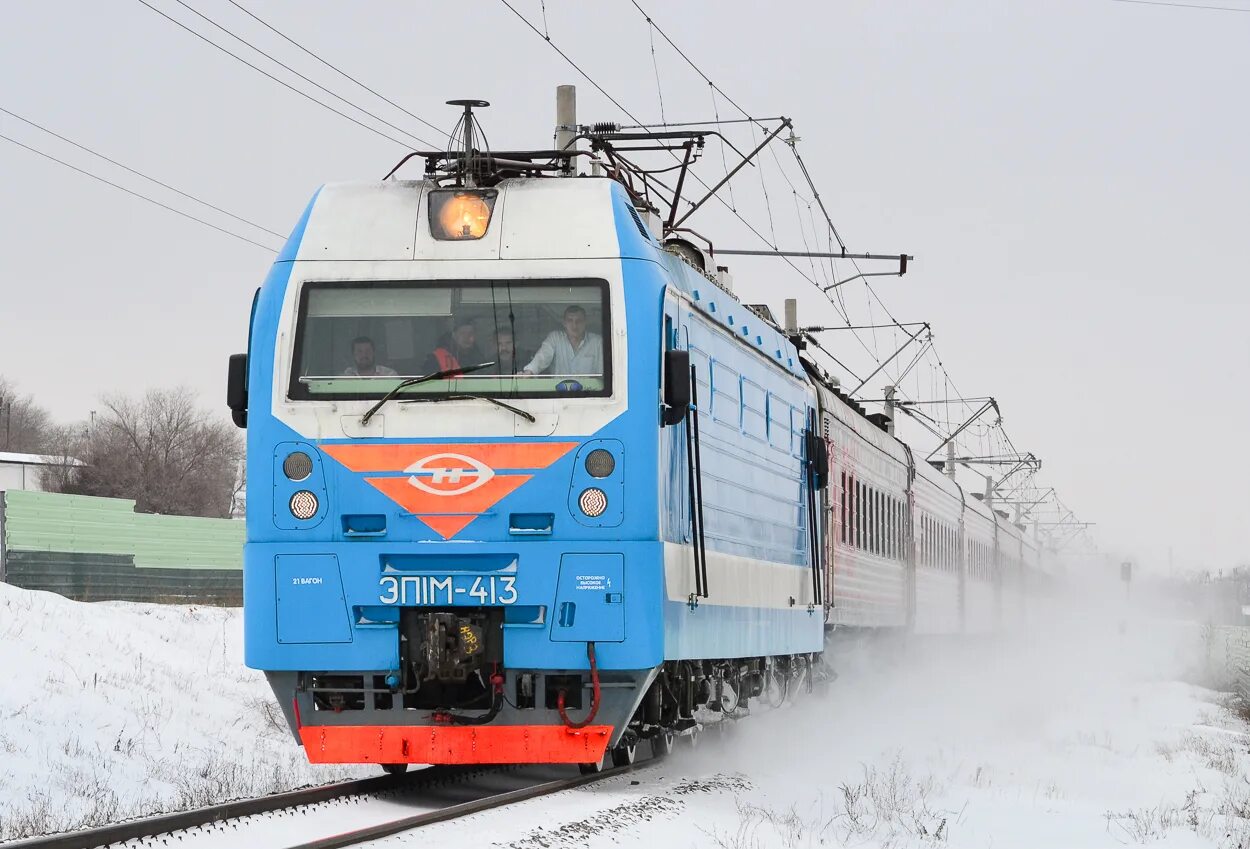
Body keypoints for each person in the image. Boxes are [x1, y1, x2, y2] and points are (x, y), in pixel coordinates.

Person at [521, 305, 603, 377]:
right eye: (570, 320)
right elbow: (542, 357)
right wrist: (530, 372)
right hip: (559, 394)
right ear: (564, 323)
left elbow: (602, 374)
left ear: (585, 322)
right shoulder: (555, 338)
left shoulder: (597, 342)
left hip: (590, 393)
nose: (574, 325)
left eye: (579, 321)